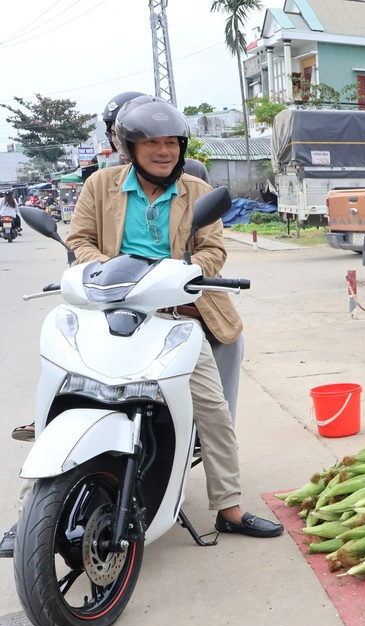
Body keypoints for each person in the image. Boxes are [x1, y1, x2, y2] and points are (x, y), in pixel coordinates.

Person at [0, 95, 280, 559]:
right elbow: (81, 241)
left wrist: (178, 276)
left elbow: (212, 249)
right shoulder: (100, 185)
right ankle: (28, 513)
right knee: (62, 399)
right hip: (110, 309)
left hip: (175, 314)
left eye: (171, 142)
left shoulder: (193, 190)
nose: (163, 151)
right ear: (130, 147)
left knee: (213, 412)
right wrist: (109, 275)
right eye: (152, 143)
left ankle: (228, 509)